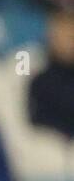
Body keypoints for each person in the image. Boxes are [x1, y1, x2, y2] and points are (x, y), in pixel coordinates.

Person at [29, 9, 74, 139]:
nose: (70, 43)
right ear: (51, 38)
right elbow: (38, 124)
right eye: (64, 36)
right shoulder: (41, 82)